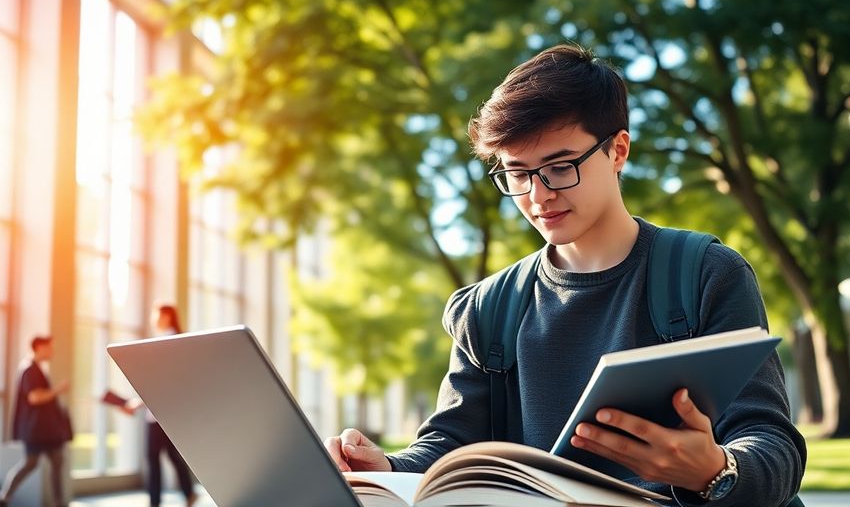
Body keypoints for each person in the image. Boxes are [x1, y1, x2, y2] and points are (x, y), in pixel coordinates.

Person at [324, 44, 806, 506]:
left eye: (559, 167)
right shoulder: (488, 310)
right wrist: (383, 467)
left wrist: (714, 472)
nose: (538, 196)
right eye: (517, 174)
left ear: (618, 151)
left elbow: (773, 446)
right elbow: (450, 447)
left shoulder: (705, 274)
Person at [117, 304, 197, 507]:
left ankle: (156, 501)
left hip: (162, 412)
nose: (155, 318)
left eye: (158, 315)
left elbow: (163, 381)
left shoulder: (170, 342)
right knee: (171, 454)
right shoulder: (170, 341)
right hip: (164, 411)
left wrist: (139, 403)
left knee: (154, 456)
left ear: (168, 317)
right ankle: (187, 493)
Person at [0, 335, 72, 507]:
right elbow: (35, 398)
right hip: (37, 431)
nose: (52, 351)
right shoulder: (30, 370)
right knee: (31, 463)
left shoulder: (37, 369)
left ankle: (58, 502)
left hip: (47, 431)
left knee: (55, 462)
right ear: (40, 347)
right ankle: (3, 497)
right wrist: (58, 390)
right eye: (49, 347)